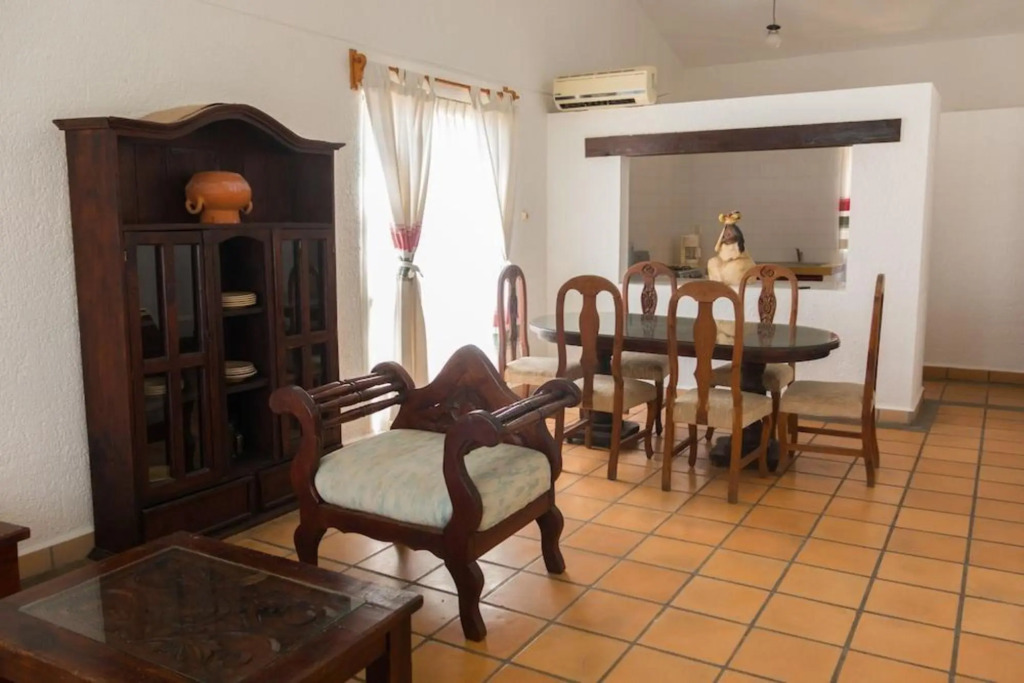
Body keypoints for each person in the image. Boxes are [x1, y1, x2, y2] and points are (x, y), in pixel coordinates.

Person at [707, 210, 755, 287]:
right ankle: (719, 281)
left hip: (737, 261)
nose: (726, 235)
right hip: (723, 262)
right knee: (712, 262)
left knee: (737, 266)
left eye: (729, 234)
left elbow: (738, 252)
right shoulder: (724, 240)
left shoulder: (737, 243)